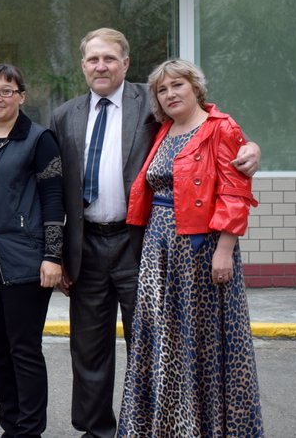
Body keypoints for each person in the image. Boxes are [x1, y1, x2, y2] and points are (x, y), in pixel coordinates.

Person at [50, 28, 261, 438]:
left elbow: (207, 124)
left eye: (109, 58)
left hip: (141, 245)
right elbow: (54, 184)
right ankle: (97, 430)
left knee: (153, 346)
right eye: (93, 59)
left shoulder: (149, 104)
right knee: (88, 350)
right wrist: (57, 253)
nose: (101, 66)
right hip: (86, 246)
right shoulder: (65, 115)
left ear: (125, 63)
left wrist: (252, 147)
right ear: (82, 66)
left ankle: (148, 428)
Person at [118, 59, 263, 436]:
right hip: (159, 246)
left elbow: (234, 191)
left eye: (177, 85)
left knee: (198, 341)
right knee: (161, 339)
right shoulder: (163, 130)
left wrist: (225, 250)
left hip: (201, 248)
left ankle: (203, 427)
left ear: (196, 87)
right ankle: (165, 427)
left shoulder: (221, 128)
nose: (170, 94)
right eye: (162, 90)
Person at [0, 63, 66, 438]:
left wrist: (52, 256)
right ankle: (10, 427)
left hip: (24, 261)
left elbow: (54, 200)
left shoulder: (39, 140)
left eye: (6, 91)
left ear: (21, 97)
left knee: (24, 350)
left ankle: (29, 431)